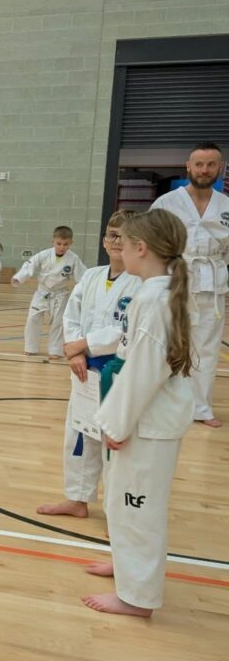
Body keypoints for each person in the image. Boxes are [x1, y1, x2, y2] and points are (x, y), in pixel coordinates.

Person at [82, 209, 193, 618]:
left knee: (137, 507)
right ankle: (128, 567)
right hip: (144, 417)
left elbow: (145, 371)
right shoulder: (157, 292)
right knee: (120, 501)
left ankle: (137, 597)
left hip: (146, 421)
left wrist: (117, 423)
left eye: (124, 244)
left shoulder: (154, 298)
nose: (119, 251)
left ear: (141, 248)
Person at [37, 210, 140, 518]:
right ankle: (77, 498)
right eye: (112, 235)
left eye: (125, 236)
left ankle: (117, 511)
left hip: (118, 371)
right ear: (104, 241)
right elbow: (72, 315)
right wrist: (76, 351)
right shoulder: (92, 276)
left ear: (139, 242)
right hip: (83, 369)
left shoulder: (140, 283)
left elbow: (127, 329)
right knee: (80, 434)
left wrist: (84, 344)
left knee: (115, 441)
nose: (117, 241)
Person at [149, 141, 228, 427]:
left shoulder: (226, 206)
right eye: (199, 164)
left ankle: (201, 408)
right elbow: (151, 244)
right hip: (173, 279)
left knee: (206, 348)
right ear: (188, 166)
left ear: (220, 168)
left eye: (211, 164)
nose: (204, 170)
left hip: (212, 283)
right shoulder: (166, 203)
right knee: (164, 342)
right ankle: (156, 401)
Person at [11, 226, 86, 358]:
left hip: (60, 293)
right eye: (59, 244)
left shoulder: (73, 259)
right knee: (32, 318)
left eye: (66, 244)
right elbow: (30, 265)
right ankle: (30, 347)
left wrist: (87, 289)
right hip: (42, 292)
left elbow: (83, 276)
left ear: (71, 243)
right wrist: (19, 278)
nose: (62, 247)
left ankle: (55, 350)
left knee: (58, 322)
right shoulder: (44, 254)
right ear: (53, 241)